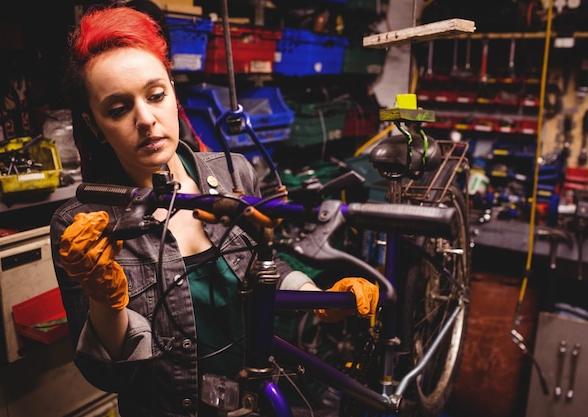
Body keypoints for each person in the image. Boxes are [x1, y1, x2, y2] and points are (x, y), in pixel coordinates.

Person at [50, 5, 379, 416]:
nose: (146, 119)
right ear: (94, 123)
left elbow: (266, 269)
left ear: (173, 91)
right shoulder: (81, 226)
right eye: (118, 109)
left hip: (253, 400)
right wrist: (105, 298)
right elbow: (108, 376)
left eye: (156, 95)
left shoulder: (231, 171)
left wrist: (321, 298)